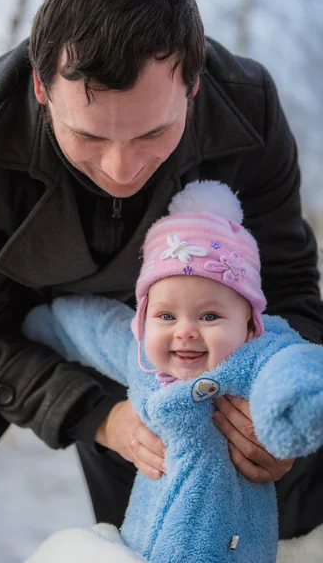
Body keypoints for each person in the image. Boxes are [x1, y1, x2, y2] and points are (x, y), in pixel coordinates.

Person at [0, 0, 322, 560]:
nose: (120, 169)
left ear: (193, 84)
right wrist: (98, 416)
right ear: (40, 87)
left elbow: (290, 287)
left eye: (151, 134)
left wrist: (272, 413)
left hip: (179, 325)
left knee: (190, 512)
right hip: (8, 320)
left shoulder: (250, 106)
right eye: (87, 136)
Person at [21, 181, 323, 563]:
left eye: (209, 316)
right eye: (166, 315)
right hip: (144, 542)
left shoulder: (252, 357)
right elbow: (90, 329)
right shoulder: (141, 354)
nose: (185, 331)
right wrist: (43, 324)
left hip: (231, 547)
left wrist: (292, 416)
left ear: (249, 323)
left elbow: (295, 368)